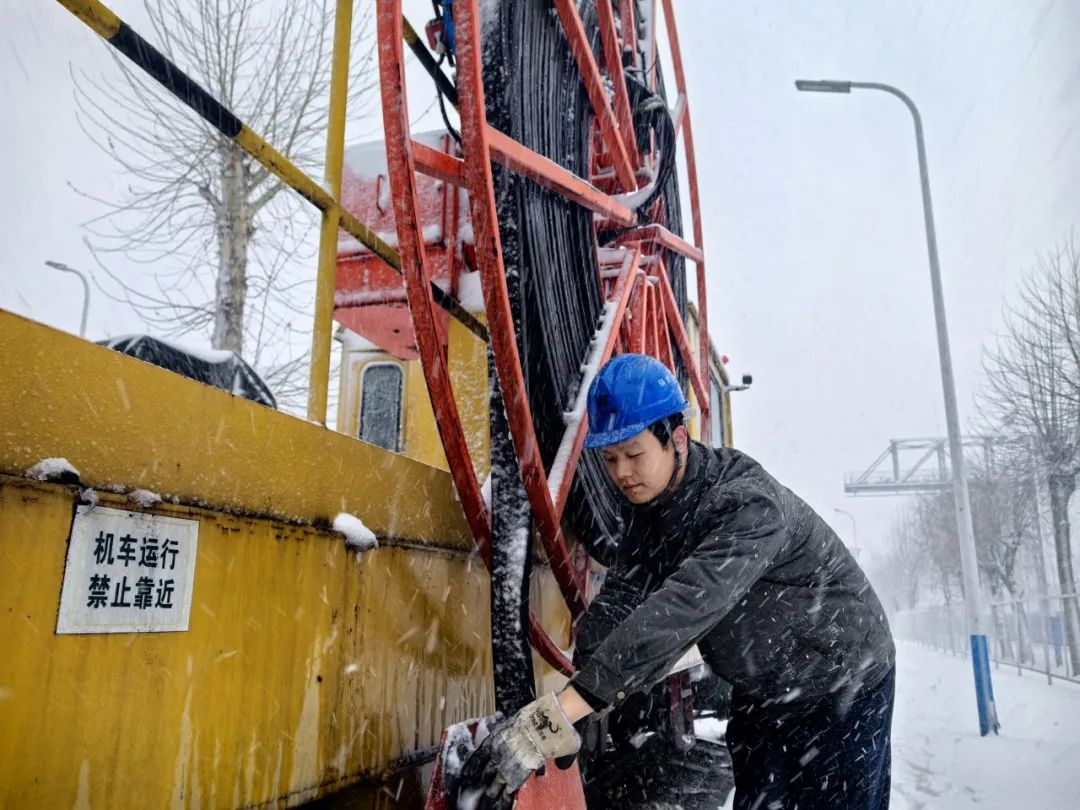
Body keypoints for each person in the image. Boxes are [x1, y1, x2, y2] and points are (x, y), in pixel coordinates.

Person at [460, 354, 895, 810]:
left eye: (634, 454)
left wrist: (559, 714)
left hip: (841, 682)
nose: (621, 473)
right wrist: (581, 703)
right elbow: (621, 600)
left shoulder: (748, 506)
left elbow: (683, 609)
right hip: (763, 689)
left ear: (678, 440)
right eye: (609, 458)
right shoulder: (652, 514)